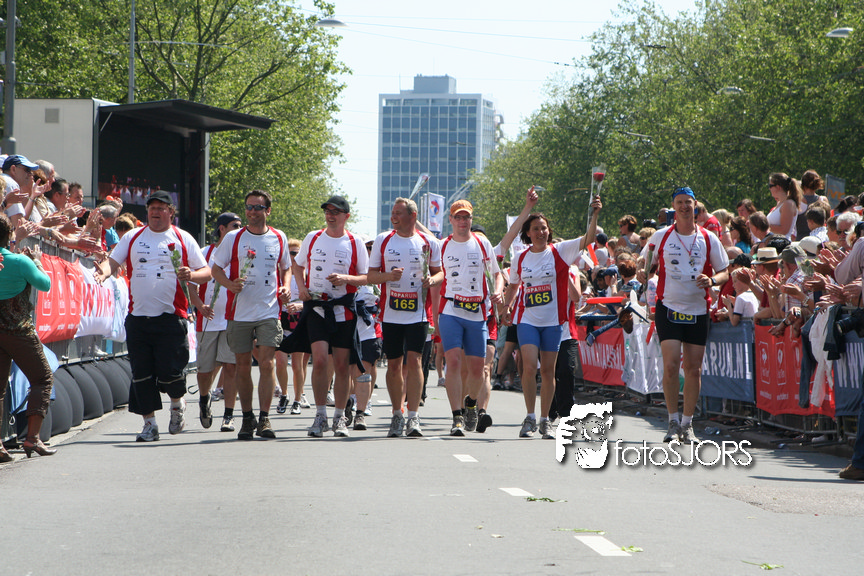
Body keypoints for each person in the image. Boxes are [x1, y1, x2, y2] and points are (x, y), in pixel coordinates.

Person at [94, 190, 210, 442]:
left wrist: (191, 275)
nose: (155, 212)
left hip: (171, 317)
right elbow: (112, 262)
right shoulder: (133, 236)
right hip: (138, 319)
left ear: (171, 212)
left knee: (171, 373)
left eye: (161, 208)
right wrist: (102, 272)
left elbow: (206, 272)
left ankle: (177, 404)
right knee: (141, 374)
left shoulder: (182, 237)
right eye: (152, 208)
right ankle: (150, 424)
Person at [644, 187, 729, 444]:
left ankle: (687, 424)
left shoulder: (708, 238)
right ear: (673, 206)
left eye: (688, 202)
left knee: (693, 369)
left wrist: (712, 280)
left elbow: (725, 272)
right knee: (671, 366)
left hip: (697, 310)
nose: (684, 207)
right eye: (679, 202)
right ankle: (672, 421)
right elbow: (646, 265)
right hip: (669, 307)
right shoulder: (661, 236)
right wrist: (644, 271)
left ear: (695, 205)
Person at [211, 191, 292, 440]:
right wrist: (229, 284)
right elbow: (216, 269)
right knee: (242, 366)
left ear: (268, 211)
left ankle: (264, 418)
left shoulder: (279, 237)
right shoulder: (233, 238)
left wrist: (286, 287)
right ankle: (247, 417)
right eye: (249, 207)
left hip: (269, 310)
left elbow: (286, 268)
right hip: (239, 312)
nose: (252, 212)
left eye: (258, 207)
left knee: (267, 363)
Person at [502, 214, 590, 439]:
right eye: (536, 229)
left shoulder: (559, 251)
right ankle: (530, 417)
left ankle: (545, 421)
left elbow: (588, 238)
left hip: (553, 322)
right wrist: (506, 307)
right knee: (530, 366)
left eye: (544, 228)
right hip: (528, 320)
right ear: (528, 233)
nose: (541, 232)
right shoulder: (520, 258)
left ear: (549, 231)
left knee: (549, 371)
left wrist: (595, 213)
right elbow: (513, 286)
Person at [291, 195, 369, 438]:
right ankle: (320, 415)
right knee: (320, 361)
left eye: (335, 212)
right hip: (316, 308)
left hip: (343, 309)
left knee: (342, 365)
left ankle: (339, 417)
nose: (330, 215)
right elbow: (297, 265)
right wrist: (301, 288)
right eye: (327, 211)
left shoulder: (355, 242)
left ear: (346, 216)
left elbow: (366, 277)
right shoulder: (313, 237)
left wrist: (347, 279)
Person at [367, 197, 442, 437]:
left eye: (398, 213)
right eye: (392, 213)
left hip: (418, 313)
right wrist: (388, 277)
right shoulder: (383, 239)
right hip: (391, 313)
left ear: (413, 216)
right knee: (394, 364)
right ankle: (396, 414)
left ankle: (413, 416)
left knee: (415, 361)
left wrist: (432, 280)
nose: (393, 217)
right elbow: (371, 275)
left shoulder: (428, 242)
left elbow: (440, 273)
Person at [431, 199, 504, 436]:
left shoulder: (482, 243)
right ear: (451, 220)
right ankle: (456, 417)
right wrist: (434, 317)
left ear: (471, 220)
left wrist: (498, 290)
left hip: (477, 313)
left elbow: (497, 274)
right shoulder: (442, 245)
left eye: (466, 217)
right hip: (451, 310)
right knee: (452, 362)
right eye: (458, 217)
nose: (462, 221)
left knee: (478, 369)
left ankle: (471, 403)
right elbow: (437, 277)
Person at [0, 214, 57, 460]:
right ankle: (32, 438)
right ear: (10, 235)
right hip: (19, 331)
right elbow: (45, 285)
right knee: (42, 378)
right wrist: (38, 262)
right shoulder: (20, 261)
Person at [191, 212, 241, 431]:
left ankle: (228, 415)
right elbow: (191, 285)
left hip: (233, 319)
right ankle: (204, 399)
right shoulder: (205, 253)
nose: (239, 229)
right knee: (205, 370)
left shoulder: (241, 254)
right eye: (235, 225)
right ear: (222, 228)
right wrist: (200, 306)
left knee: (231, 367)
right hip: (208, 321)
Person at [767, 172, 803, 240]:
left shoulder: (788, 204)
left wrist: (763, 226)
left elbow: (784, 230)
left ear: (778, 187)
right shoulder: (780, 203)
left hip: (782, 243)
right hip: (773, 242)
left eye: (770, 186)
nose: (769, 189)